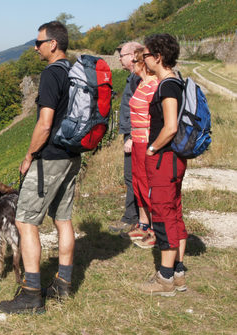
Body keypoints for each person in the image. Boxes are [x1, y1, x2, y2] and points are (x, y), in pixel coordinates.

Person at [0, 21, 81, 314]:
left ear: (53, 44)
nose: (35, 47)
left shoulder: (51, 74)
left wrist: (29, 156)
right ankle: (63, 284)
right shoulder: (75, 72)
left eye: (39, 42)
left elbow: (45, 124)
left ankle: (31, 294)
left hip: (51, 157)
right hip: (72, 155)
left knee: (26, 221)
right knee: (63, 218)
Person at [139, 33, 187, 296]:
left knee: (163, 213)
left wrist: (152, 147)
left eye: (146, 55)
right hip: (174, 160)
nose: (144, 60)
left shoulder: (167, 86)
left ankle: (165, 278)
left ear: (158, 57)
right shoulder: (175, 81)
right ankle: (178, 272)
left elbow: (170, 126)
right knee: (175, 211)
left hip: (164, 158)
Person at [123, 47, 159, 248]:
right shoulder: (141, 83)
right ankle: (143, 224)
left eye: (135, 62)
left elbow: (153, 117)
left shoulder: (153, 85)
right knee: (138, 182)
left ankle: (155, 229)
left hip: (145, 141)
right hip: (137, 141)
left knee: (147, 184)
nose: (132, 65)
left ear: (143, 64)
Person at [109, 41, 142, 232]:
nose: (119, 59)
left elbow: (141, 110)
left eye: (121, 55)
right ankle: (136, 218)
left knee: (132, 177)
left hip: (135, 135)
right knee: (132, 177)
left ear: (132, 56)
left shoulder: (138, 78)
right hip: (133, 134)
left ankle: (132, 219)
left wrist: (132, 136)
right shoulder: (133, 77)